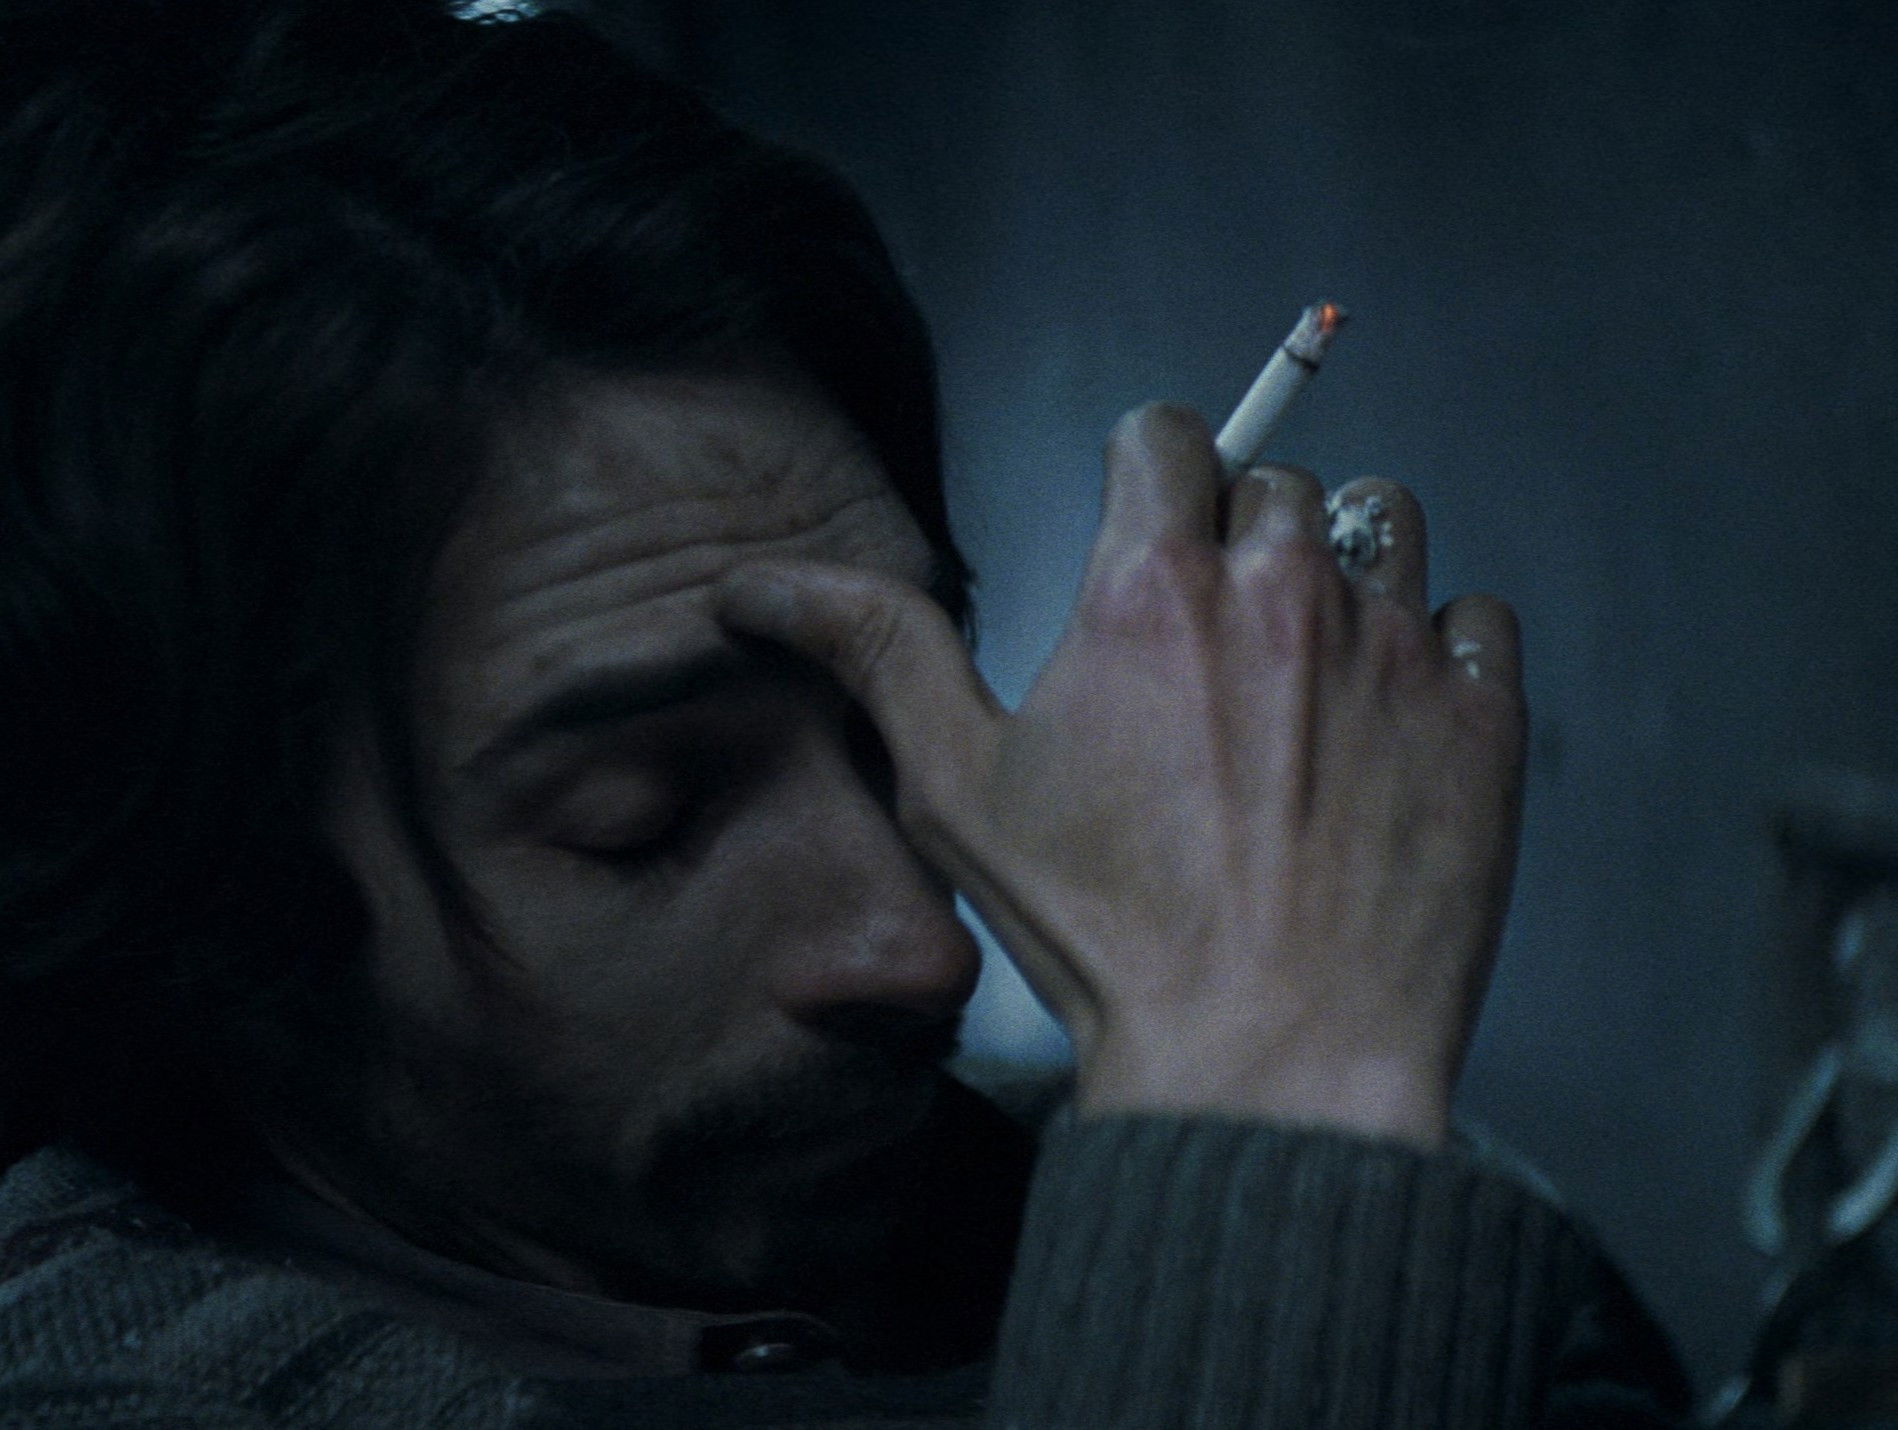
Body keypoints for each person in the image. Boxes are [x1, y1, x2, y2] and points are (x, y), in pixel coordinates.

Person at [0, 1, 1690, 1425]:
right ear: (215, 903)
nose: (927, 946)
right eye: (647, 814)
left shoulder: (1055, 1169)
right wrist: (1268, 1141)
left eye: (895, 711)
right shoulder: (109, 1378)